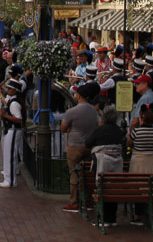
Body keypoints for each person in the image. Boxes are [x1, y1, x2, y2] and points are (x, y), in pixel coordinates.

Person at [60, 81, 100, 213]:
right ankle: (88, 200)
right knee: (88, 173)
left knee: (74, 173)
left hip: (75, 145)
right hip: (89, 145)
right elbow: (97, 126)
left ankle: (74, 202)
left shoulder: (72, 111)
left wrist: (71, 127)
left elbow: (63, 128)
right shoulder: (94, 112)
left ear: (79, 95)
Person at [85, 105, 125, 227]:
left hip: (102, 162)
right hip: (116, 162)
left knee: (102, 189)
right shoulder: (118, 131)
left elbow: (88, 143)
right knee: (113, 189)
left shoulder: (99, 130)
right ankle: (111, 218)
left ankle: (102, 218)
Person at [128, 104, 153, 226]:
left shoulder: (137, 131)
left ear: (142, 118)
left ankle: (140, 215)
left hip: (139, 160)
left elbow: (129, 143)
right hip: (152, 160)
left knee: (139, 188)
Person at [0, 78, 24, 188]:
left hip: (13, 130)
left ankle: (11, 180)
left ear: (14, 91)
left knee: (11, 155)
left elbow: (18, 119)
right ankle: (8, 178)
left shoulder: (14, 103)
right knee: (8, 154)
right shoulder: (12, 101)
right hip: (10, 130)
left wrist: (5, 116)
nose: (8, 90)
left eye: (10, 88)